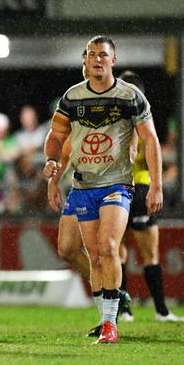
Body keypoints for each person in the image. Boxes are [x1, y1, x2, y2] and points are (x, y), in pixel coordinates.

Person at [44, 36, 163, 344]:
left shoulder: (130, 96)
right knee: (94, 255)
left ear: (114, 60)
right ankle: (107, 314)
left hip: (118, 185)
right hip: (83, 186)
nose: (97, 59)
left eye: (103, 55)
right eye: (92, 55)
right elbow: (57, 137)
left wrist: (156, 186)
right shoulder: (72, 98)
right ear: (85, 60)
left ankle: (111, 324)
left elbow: (150, 140)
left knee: (109, 247)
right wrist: (51, 167)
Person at [117, 70, 183, 323]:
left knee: (121, 251)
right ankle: (156, 311)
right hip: (133, 187)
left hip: (127, 188)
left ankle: (132, 310)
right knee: (143, 253)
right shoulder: (141, 119)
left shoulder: (128, 118)